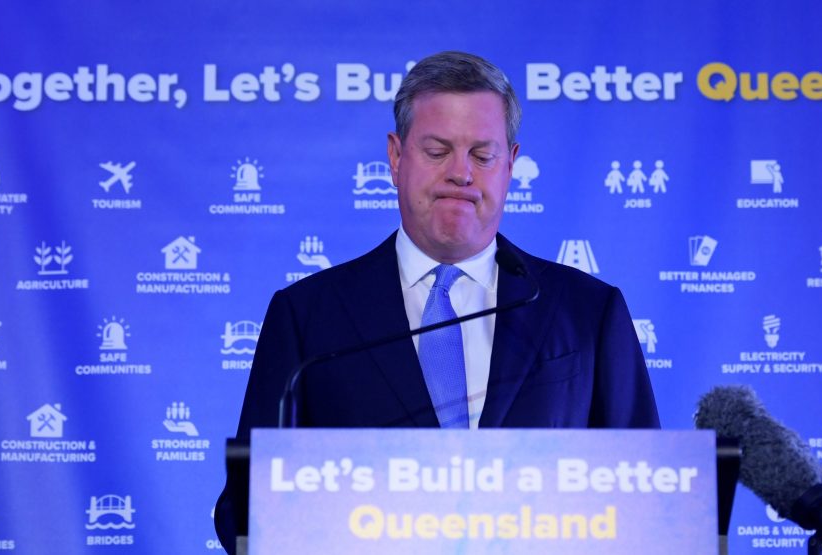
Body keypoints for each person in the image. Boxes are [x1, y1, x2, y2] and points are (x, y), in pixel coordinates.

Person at [214, 51, 659, 552]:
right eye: (437, 150)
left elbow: (644, 498)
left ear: (510, 164)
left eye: (482, 155)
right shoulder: (307, 316)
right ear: (396, 157)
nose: (460, 173)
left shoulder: (587, 311)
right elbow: (245, 512)